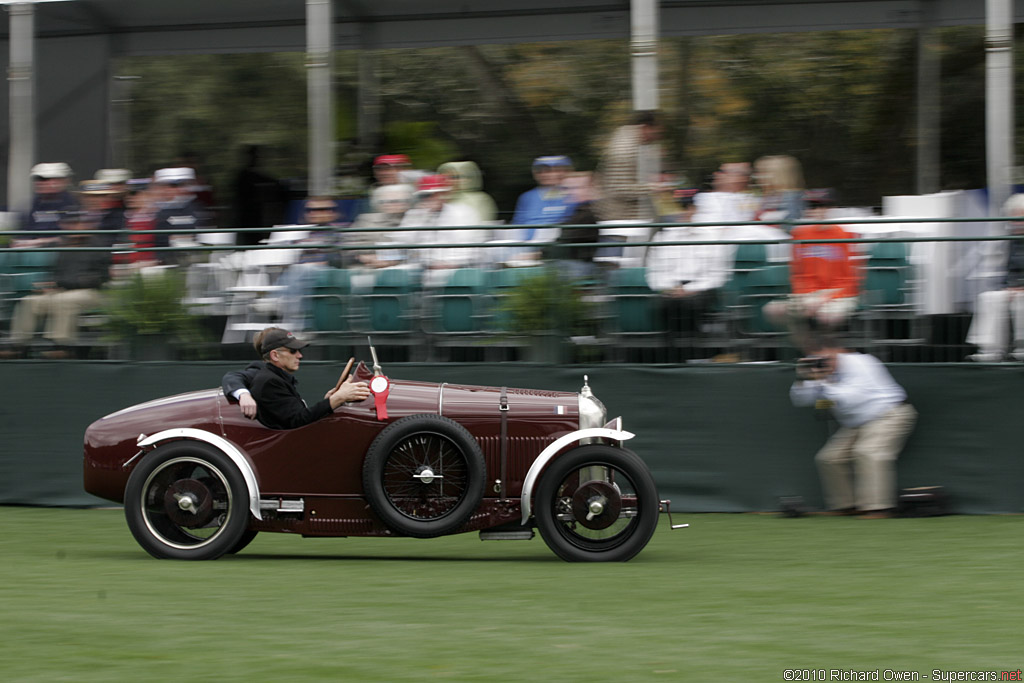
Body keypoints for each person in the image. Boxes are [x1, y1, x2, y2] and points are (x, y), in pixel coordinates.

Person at [790, 336, 917, 518]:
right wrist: (802, 380)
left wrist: (821, 382)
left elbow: (851, 399)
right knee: (828, 458)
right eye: (815, 359)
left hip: (890, 414)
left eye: (825, 359)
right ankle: (845, 506)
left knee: (867, 451)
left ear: (838, 351)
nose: (821, 363)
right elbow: (800, 400)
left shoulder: (861, 363)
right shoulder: (818, 372)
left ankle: (878, 509)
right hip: (857, 423)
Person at [2, 211, 112, 359]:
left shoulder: (99, 245)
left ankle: (62, 347)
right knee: (30, 301)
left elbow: (100, 278)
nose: (76, 227)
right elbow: (56, 273)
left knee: (64, 300)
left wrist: (63, 283)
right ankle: (18, 347)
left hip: (91, 293)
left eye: (79, 224)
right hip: (61, 290)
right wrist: (49, 284)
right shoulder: (63, 245)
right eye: (71, 224)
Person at [764, 189, 859, 352]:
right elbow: (797, 275)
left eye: (822, 206)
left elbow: (851, 280)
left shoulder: (845, 234)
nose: (817, 210)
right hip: (808, 294)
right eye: (812, 206)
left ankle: (828, 357)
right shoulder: (799, 234)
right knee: (773, 310)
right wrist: (806, 297)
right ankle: (812, 353)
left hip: (838, 294)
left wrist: (824, 298)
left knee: (827, 316)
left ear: (830, 208)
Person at [221, 327, 369, 428]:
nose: (300, 355)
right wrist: (338, 398)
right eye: (293, 351)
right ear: (275, 355)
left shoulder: (277, 377)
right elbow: (299, 420)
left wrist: (330, 400)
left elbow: (297, 414)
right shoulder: (269, 380)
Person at [966, 193, 1024, 362]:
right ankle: (990, 350)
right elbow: (1009, 271)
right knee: (988, 299)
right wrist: (1010, 286)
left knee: (1021, 302)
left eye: (1020, 218)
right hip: (1014, 288)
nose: (1016, 223)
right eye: (1013, 218)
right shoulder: (1010, 241)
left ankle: (1022, 348)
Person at [594, 111, 663, 222]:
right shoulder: (625, 149)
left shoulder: (629, 143)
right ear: (645, 128)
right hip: (621, 221)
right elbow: (618, 188)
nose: (657, 137)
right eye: (656, 132)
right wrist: (651, 188)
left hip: (624, 220)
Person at [510, 155, 578, 260]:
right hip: (525, 248)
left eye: (556, 170)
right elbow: (517, 226)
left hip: (558, 249)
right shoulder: (527, 197)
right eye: (542, 171)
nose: (549, 174)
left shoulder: (575, 195)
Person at [17, 162, 78, 247]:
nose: (40, 183)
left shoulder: (74, 204)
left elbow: (76, 236)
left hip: (64, 253)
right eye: (38, 179)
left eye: (46, 179)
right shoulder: (28, 206)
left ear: (63, 181)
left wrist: (42, 242)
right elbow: (21, 234)